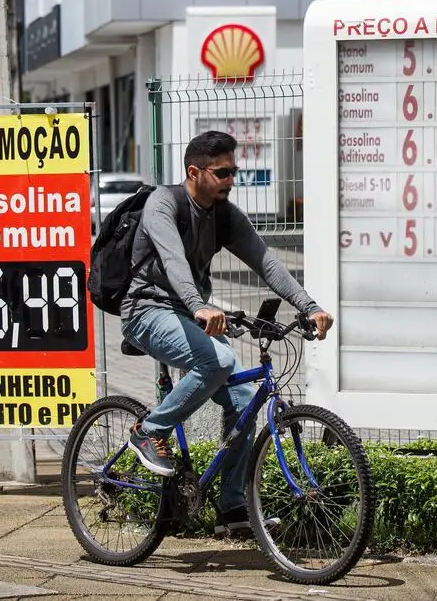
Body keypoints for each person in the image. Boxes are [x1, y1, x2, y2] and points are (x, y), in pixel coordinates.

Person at [119, 129, 333, 536]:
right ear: (193, 171)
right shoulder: (163, 205)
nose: (230, 181)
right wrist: (199, 304)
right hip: (146, 309)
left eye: (234, 172)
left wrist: (309, 305)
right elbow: (174, 262)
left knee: (243, 400)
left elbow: (266, 262)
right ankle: (148, 431)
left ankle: (232, 507)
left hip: (192, 315)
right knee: (216, 360)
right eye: (221, 173)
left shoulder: (224, 215)